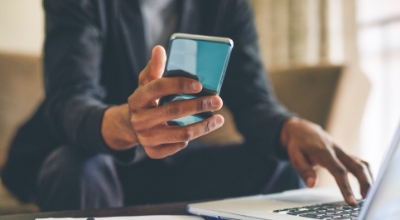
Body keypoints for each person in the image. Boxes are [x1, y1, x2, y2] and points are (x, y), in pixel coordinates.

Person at [1, 0, 372, 211]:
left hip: (171, 164)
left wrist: (290, 127)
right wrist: (129, 124)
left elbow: (252, 99)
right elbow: (69, 97)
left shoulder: (227, 5)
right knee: (77, 169)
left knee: (277, 167)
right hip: (92, 154)